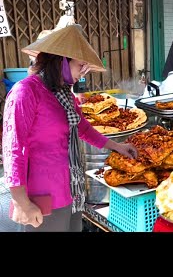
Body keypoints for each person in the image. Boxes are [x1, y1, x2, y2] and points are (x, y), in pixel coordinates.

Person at [2, 24, 138, 232]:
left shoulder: (64, 94)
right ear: (61, 61)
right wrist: (22, 203)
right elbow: (13, 150)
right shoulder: (26, 92)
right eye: (80, 65)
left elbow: (82, 128)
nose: (83, 73)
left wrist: (116, 146)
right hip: (41, 200)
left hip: (72, 192)